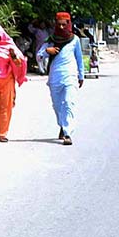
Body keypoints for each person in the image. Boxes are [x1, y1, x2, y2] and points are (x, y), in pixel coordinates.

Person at [38, 12, 84, 146]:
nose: (62, 27)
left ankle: (68, 132)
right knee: (57, 106)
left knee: (69, 103)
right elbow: (39, 56)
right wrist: (47, 51)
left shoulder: (74, 39)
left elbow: (79, 59)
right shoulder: (50, 40)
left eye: (65, 24)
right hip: (55, 78)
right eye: (59, 25)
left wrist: (81, 75)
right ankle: (62, 125)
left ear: (69, 24)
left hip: (70, 77)